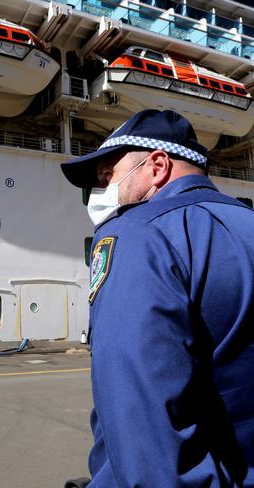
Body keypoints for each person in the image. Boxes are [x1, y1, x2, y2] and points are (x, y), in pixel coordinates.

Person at [60, 109, 254, 487]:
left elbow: (143, 419)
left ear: (157, 166)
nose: (101, 191)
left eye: (107, 175)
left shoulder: (139, 234)